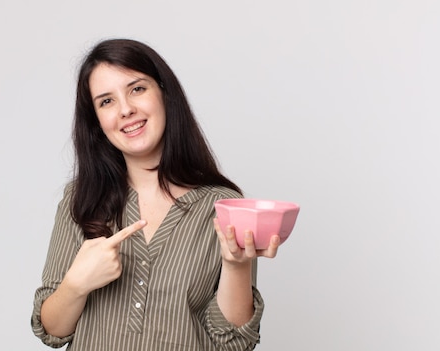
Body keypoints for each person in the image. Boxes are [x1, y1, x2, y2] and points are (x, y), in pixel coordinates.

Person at [31, 38, 280, 351]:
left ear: (164, 92)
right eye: (106, 101)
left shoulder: (223, 206)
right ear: (97, 121)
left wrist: (236, 266)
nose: (125, 110)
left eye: (137, 89)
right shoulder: (81, 197)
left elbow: (232, 342)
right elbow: (52, 330)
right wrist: (76, 284)